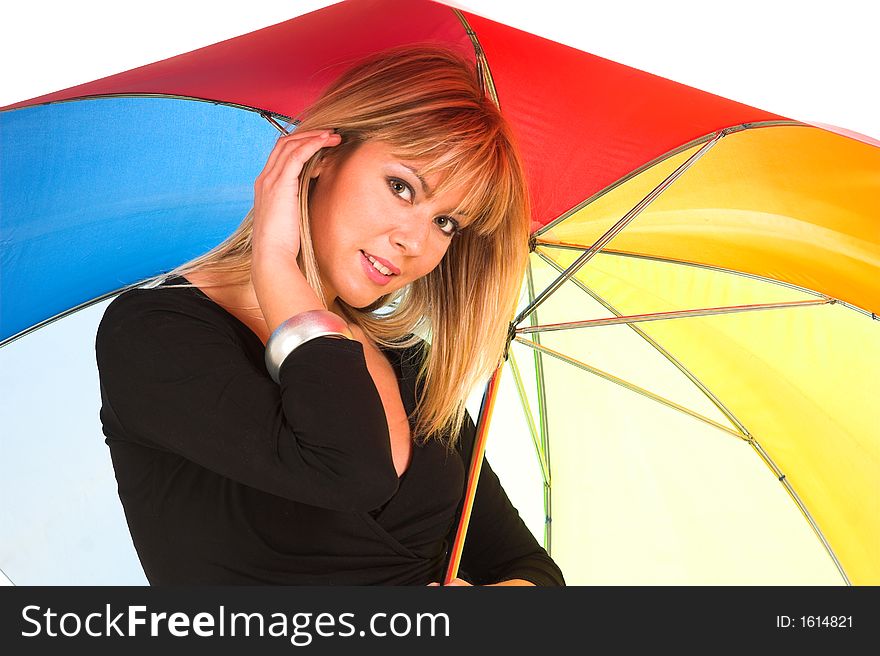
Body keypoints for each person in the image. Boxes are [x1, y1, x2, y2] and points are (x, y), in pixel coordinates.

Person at [95, 45, 565, 586]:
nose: (413, 241)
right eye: (401, 187)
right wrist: (274, 263)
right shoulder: (155, 335)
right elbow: (349, 469)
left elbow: (530, 570)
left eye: (446, 223)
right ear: (319, 157)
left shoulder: (413, 367)